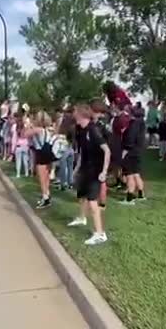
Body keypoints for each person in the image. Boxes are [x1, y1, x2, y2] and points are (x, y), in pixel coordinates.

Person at [67, 104, 111, 246]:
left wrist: (104, 171)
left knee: (92, 202)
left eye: (75, 112)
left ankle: (100, 234)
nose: (73, 114)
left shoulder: (93, 130)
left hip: (95, 171)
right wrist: (77, 168)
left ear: (80, 114)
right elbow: (82, 152)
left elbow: (107, 150)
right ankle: (81, 218)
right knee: (82, 196)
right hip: (85, 169)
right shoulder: (80, 130)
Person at [26, 111, 55, 209]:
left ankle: (45, 198)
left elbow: (25, 134)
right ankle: (47, 194)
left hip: (40, 153)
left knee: (42, 177)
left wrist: (28, 125)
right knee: (46, 176)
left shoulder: (38, 129)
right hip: (48, 153)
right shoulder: (49, 130)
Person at [120, 106, 147, 205]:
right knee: (136, 173)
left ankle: (129, 198)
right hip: (138, 151)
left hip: (131, 152)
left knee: (129, 175)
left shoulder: (134, 124)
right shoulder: (142, 123)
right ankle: (141, 194)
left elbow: (130, 138)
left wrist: (125, 150)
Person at [90, 99, 111, 208]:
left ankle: (101, 202)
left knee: (101, 179)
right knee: (102, 178)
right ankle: (101, 202)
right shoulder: (106, 121)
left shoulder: (98, 124)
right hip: (103, 151)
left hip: (99, 153)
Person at [110, 103, 131, 188]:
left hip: (120, 142)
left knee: (120, 163)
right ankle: (118, 180)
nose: (112, 108)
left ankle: (123, 182)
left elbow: (124, 130)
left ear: (117, 108)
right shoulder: (116, 118)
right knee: (116, 163)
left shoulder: (123, 118)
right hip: (115, 141)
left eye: (114, 107)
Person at [57, 109, 76, 190]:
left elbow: (60, 134)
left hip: (64, 146)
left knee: (63, 166)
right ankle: (70, 182)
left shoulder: (64, 126)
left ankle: (63, 183)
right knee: (70, 166)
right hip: (72, 147)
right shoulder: (74, 126)